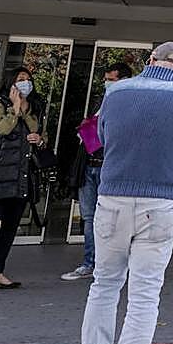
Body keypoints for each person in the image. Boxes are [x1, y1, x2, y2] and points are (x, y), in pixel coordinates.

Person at [79, 42, 173, 344]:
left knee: (104, 286)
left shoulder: (115, 92)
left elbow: (100, 134)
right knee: (144, 295)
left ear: (150, 60)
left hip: (113, 198)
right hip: (161, 205)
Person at [62, 62, 133, 282]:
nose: (107, 84)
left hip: (108, 167)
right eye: (106, 79)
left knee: (112, 218)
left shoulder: (131, 105)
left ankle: (111, 263)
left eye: (111, 79)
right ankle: (90, 262)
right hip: (88, 164)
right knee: (89, 217)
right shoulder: (98, 103)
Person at [0, 68, 46, 295]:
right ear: (10, 83)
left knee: (10, 228)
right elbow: (3, 128)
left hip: (20, 176)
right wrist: (15, 107)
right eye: (21, 80)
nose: (26, 83)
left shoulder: (34, 106)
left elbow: (37, 133)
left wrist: (39, 137)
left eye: (29, 80)